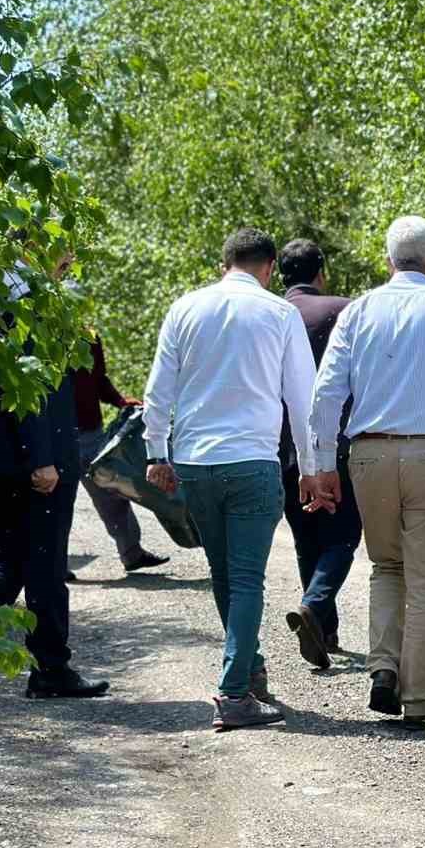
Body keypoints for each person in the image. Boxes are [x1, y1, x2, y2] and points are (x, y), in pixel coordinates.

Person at [309, 216, 425, 730]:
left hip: (367, 456)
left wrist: (322, 463)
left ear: (388, 260)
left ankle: (382, 669)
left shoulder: (360, 310)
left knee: (386, 566)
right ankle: (418, 698)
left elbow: (327, 390)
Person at [142, 228, 330, 731]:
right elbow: (302, 399)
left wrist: (156, 451)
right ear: (269, 267)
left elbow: (159, 389)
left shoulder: (185, 308)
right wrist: (312, 470)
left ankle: (249, 671)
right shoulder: (279, 314)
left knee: (225, 575)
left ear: (223, 262)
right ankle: (234, 693)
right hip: (252, 460)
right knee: (246, 579)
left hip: (196, 464)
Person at [0, 253, 111, 702]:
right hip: (31, 456)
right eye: (62, 248)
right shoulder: (28, 293)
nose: (69, 259)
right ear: (35, 243)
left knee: (11, 559)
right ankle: (49, 668)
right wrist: (40, 458)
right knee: (43, 564)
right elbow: (27, 379)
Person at [276, 239, 361, 669]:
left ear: (279, 273)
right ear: (320, 272)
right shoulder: (344, 309)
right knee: (345, 534)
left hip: (279, 445)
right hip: (337, 441)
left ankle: (324, 629)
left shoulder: (270, 313)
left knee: (305, 536)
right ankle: (315, 607)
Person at [70, 334, 170, 578]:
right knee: (56, 503)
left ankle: (131, 553)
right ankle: (52, 565)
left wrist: (120, 401)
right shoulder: (38, 334)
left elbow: (98, 380)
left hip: (90, 433)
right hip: (55, 434)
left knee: (111, 490)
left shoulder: (89, 337)